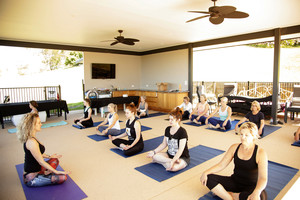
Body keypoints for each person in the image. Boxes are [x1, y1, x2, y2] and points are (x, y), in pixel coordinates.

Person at [200, 122, 268, 200]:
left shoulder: (260, 153)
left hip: (251, 186)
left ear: (253, 136)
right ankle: (230, 198)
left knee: (261, 197)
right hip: (234, 182)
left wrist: (257, 192)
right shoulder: (234, 147)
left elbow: (263, 178)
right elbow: (221, 165)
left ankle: (232, 194)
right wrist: (205, 172)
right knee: (208, 178)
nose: (243, 137)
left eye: (246, 135)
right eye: (241, 134)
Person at [16, 113, 69, 187]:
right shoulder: (31, 142)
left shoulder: (32, 137)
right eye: (39, 123)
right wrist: (56, 171)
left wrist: (50, 156)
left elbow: (37, 153)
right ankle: (44, 174)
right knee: (63, 178)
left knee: (55, 160)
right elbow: (41, 161)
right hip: (32, 178)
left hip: (38, 168)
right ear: (32, 125)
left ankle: (45, 173)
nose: (41, 124)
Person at [147, 107, 190, 172]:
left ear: (178, 120)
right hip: (169, 155)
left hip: (182, 157)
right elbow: (164, 144)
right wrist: (154, 152)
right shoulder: (167, 129)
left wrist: (175, 158)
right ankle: (170, 161)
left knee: (173, 168)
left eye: (172, 119)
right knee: (154, 156)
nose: (170, 121)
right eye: (169, 119)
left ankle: (164, 162)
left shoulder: (182, 132)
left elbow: (181, 150)